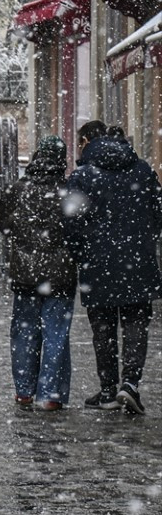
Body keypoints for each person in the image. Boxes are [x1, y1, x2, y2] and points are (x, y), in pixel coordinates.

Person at [64, 119, 162, 415]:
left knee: (103, 327)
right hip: (138, 261)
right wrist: (144, 241)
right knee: (135, 323)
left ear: (84, 144)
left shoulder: (82, 176)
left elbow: (72, 224)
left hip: (98, 263)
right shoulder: (142, 170)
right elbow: (158, 212)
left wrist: (81, 254)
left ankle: (108, 389)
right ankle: (129, 383)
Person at [0, 136, 76, 411]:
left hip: (25, 274)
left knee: (24, 333)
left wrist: (24, 241)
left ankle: (24, 390)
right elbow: (78, 231)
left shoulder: (18, 189)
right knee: (55, 335)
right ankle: (50, 394)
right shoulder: (68, 190)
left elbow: (2, 224)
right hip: (60, 275)